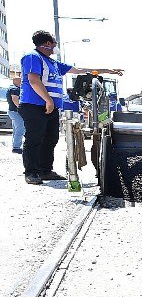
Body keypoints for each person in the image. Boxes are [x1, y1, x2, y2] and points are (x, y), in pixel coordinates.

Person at [19, 30, 122, 185]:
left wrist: (107, 70)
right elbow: (33, 80)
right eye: (54, 42)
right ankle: (32, 172)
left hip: (50, 106)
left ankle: (45, 170)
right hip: (34, 105)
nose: (55, 45)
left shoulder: (53, 63)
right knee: (35, 138)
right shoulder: (33, 57)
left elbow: (79, 70)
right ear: (47, 43)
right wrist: (48, 100)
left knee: (51, 139)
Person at [6, 75, 24, 154]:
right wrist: (21, 108)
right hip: (16, 112)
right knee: (21, 129)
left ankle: (15, 146)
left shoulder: (11, 88)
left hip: (12, 111)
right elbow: (15, 99)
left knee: (16, 130)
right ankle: (16, 147)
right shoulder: (15, 89)